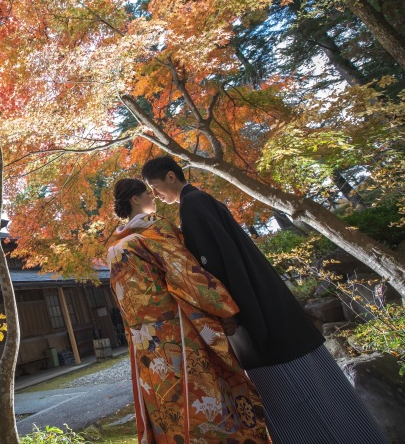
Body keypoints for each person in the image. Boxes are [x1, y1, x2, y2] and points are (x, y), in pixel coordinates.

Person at [141, 156, 388, 444]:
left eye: (154, 187)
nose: (155, 195)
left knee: (295, 401)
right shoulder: (200, 201)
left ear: (171, 177)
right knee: (324, 392)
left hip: (255, 316)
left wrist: (227, 312)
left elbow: (218, 266)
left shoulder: (193, 205)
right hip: (269, 306)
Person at [106, 178, 268, 443]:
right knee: (205, 398)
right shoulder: (157, 231)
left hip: (145, 343)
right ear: (135, 199)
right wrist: (225, 308)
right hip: (178, 334)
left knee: (166, 403)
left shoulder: (116, 246)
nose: (153, 196)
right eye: (148, 193)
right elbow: (187, 276)